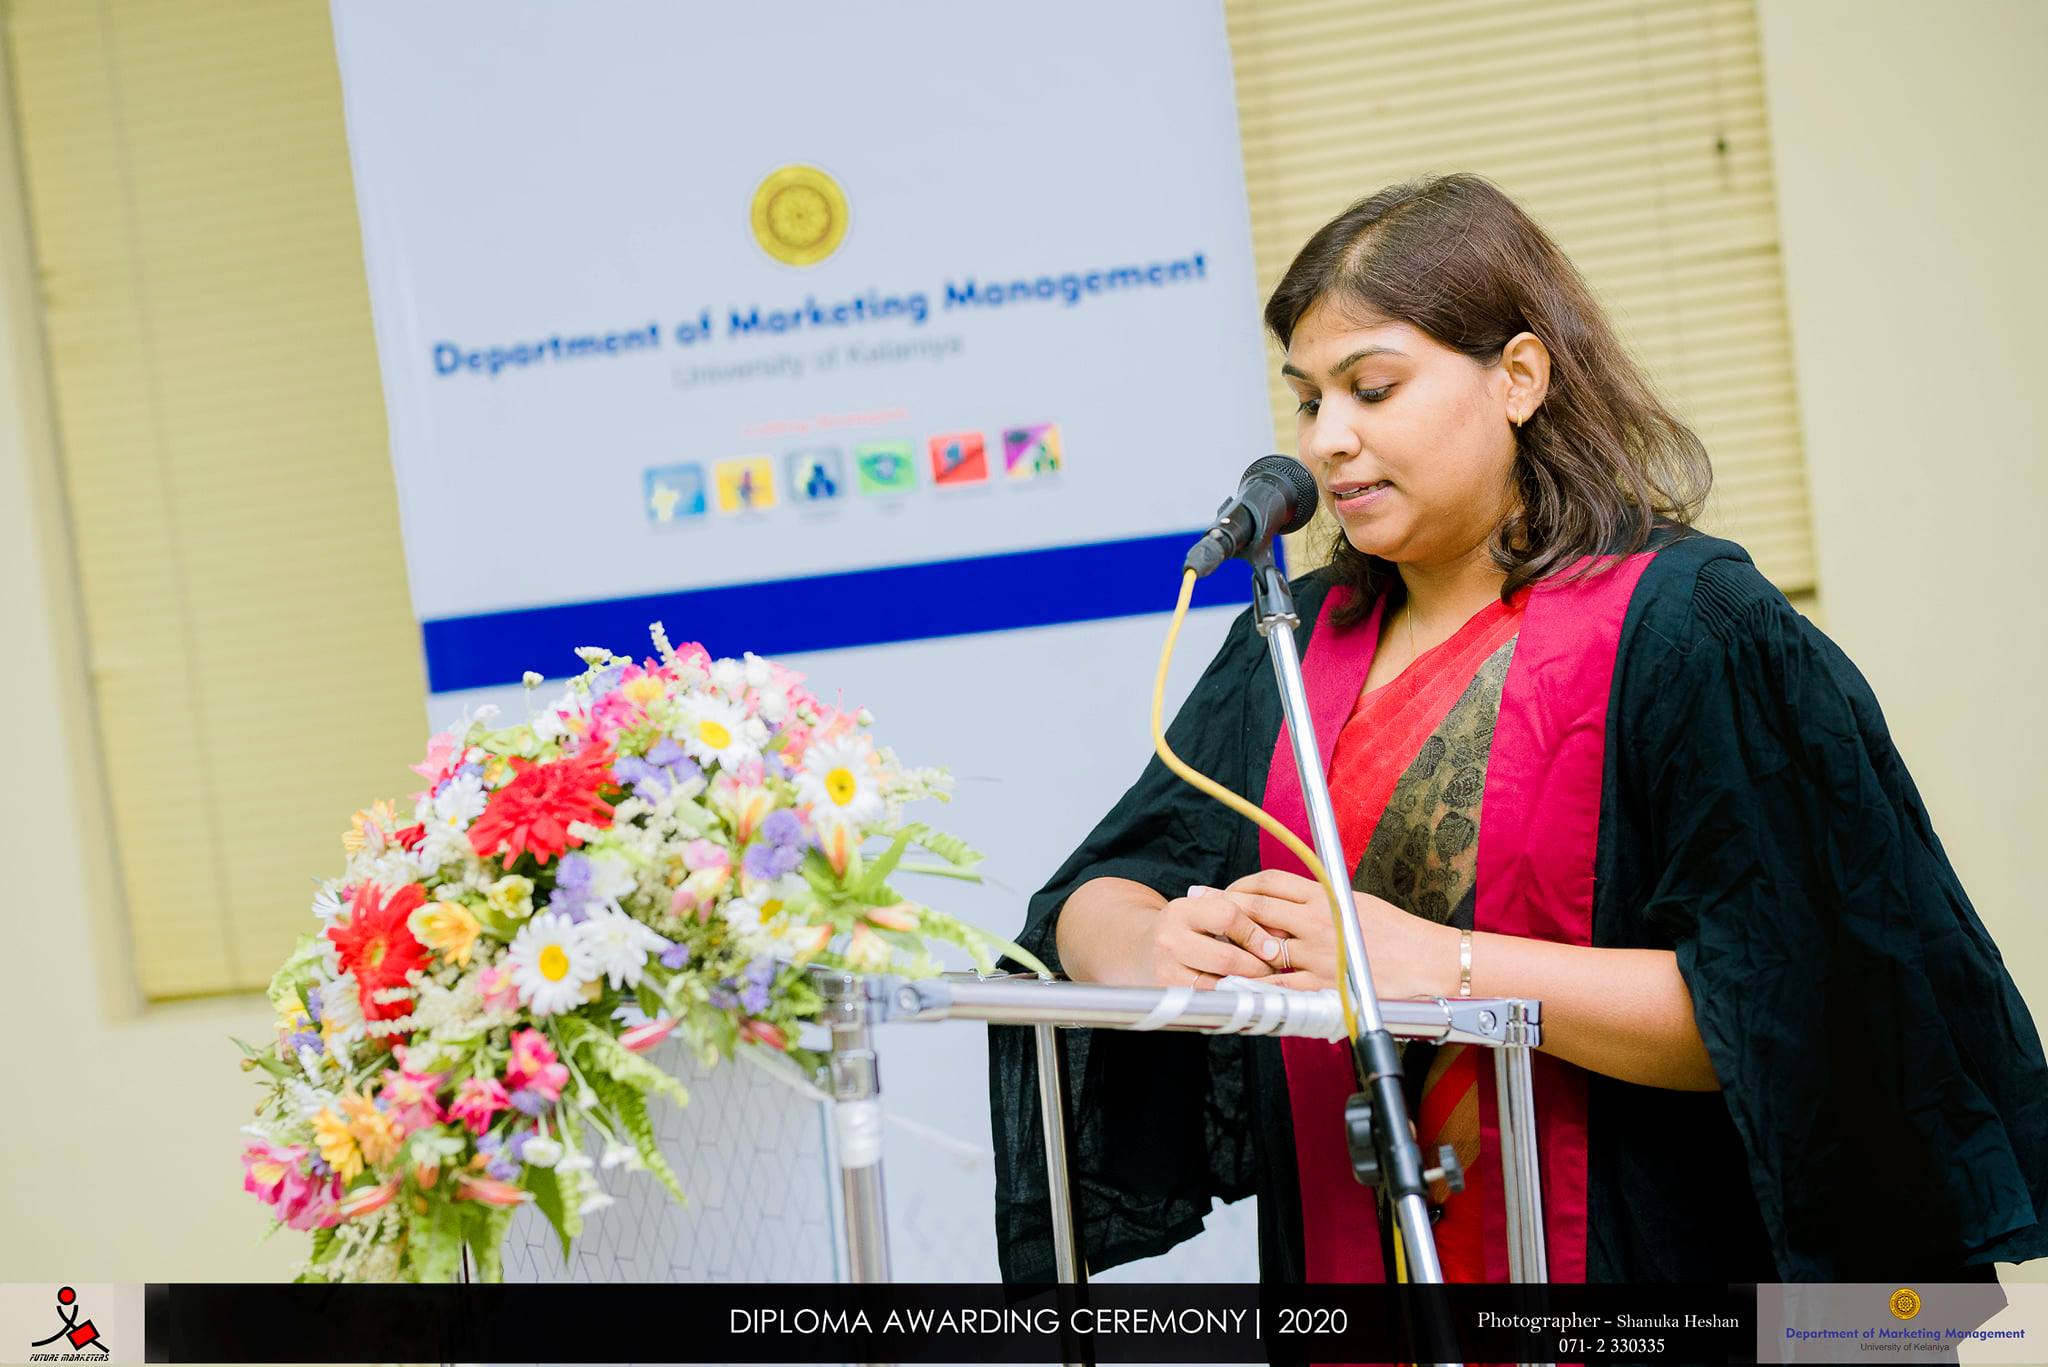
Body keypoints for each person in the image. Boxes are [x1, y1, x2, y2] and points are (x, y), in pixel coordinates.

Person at [988, 174, 2048, 1286]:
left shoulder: (1688, 626)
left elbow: (1799, 1006)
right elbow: (1094, 894)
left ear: (1519, 377)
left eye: (1373, 387)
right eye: (1308, 401)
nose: (1328, 440)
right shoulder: (1290, 642)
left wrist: (1436, 964)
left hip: (1636, 1268)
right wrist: (1147, 949)